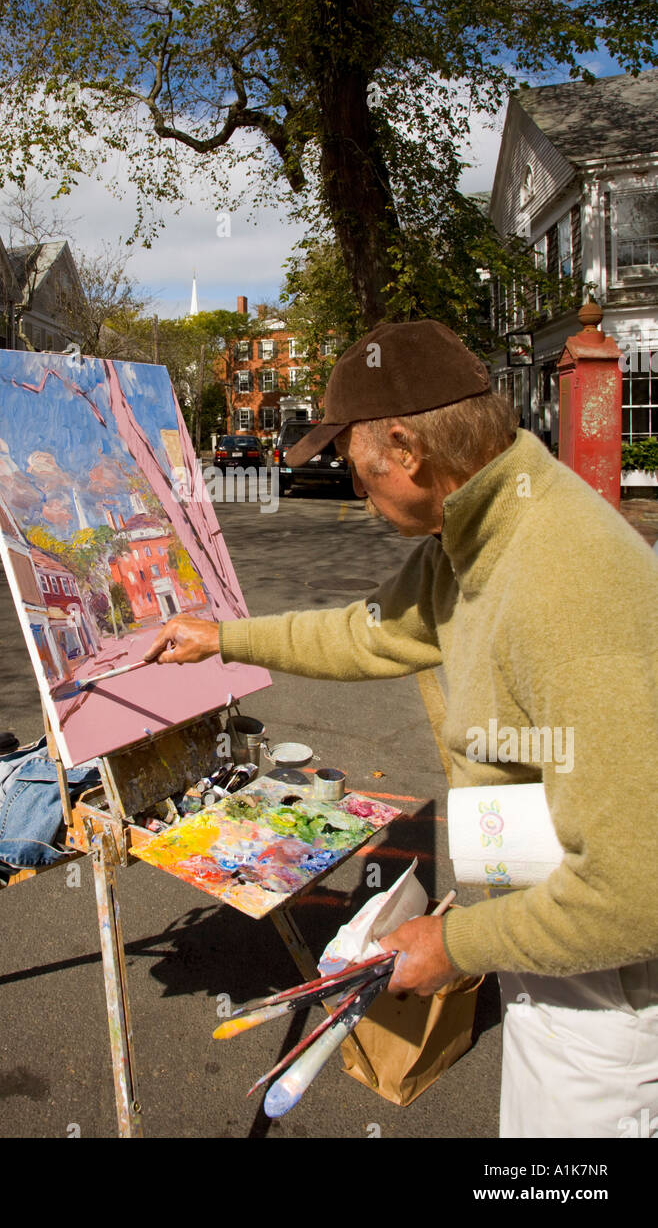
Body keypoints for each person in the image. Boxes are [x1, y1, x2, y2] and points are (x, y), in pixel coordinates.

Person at [144, 318, 658, 1139]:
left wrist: (459, 943)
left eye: (355, 469)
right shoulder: (473, 531)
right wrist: (223, 638)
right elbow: (373, 630)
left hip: (611, 993)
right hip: (548, 944)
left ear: (406, 449)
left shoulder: (567, 578)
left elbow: (639, 894)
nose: (358, 490)